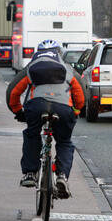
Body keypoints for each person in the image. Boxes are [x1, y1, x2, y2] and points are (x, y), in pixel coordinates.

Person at [6, 40, 85, 199]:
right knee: (64, 142)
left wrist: (18, 111)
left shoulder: (32, 67)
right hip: (63, 109)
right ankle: (62, 176)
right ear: (59, 53)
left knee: (32, 134)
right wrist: (76, 111)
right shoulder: (67, 68)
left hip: (36, 107)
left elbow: (13, 92)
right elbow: (80, 94)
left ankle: (29, 173)